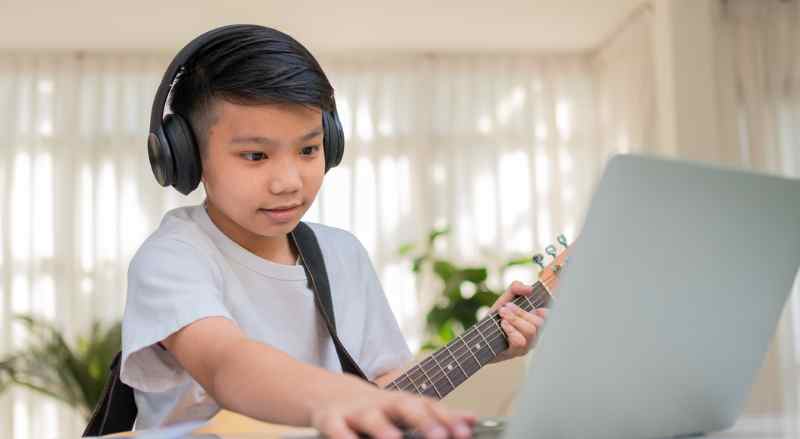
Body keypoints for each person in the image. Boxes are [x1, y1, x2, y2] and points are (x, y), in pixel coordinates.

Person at [121, 24, 549, 439]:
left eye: (308, 149)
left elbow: (380, 388)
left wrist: (488, 342)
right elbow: (226, 364)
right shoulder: (174, 256)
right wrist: (334, 397)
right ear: (187, 158)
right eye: (255, 155)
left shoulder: (342, 254)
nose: (288, 180)